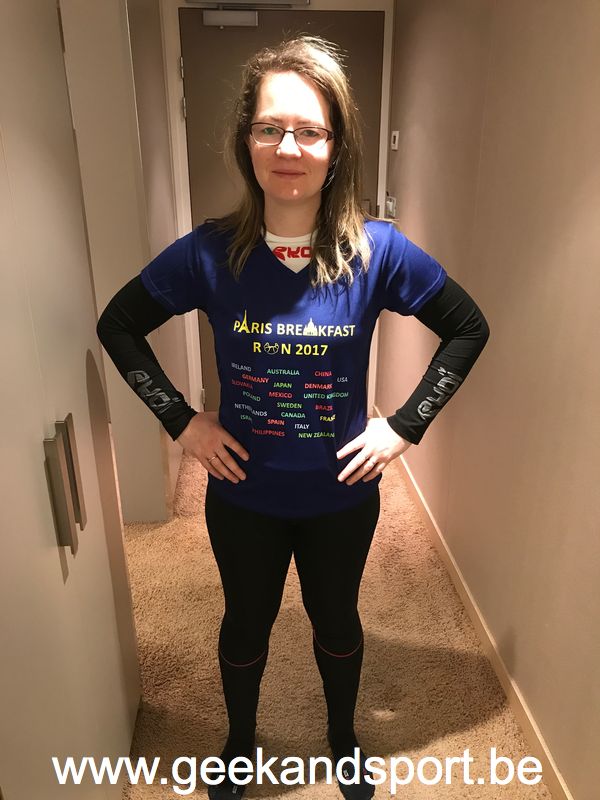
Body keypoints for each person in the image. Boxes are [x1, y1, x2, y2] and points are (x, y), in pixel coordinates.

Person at [96, 35, 489, 800]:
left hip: (341, 494)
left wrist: (404, 426)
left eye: (310, 131)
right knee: (246, 624)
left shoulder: (379, 251)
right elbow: (119, 324)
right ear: (246, 141)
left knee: (336, 622)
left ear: (336, 148)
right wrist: (182, 421)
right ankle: (239, 743)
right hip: (243, 494)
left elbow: (467, 327)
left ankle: (343, 739)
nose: (288, 147)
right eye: (270, 127)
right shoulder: (208, 254)